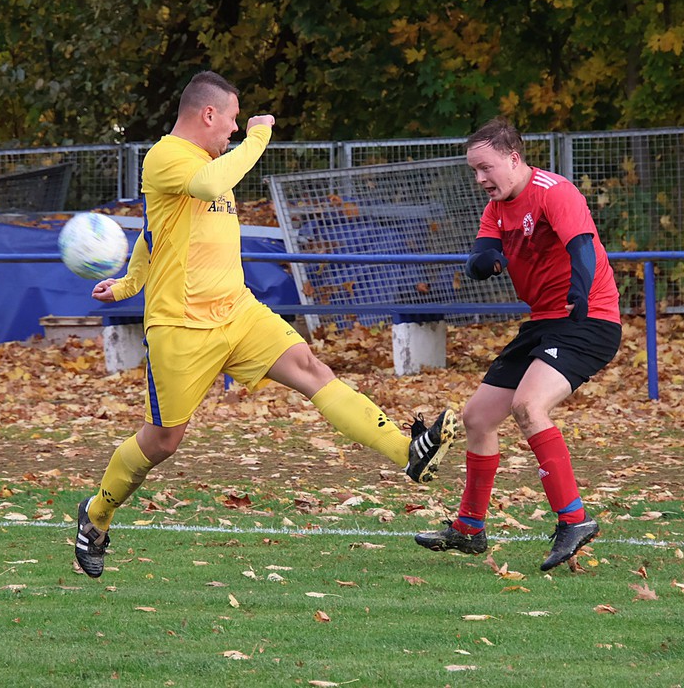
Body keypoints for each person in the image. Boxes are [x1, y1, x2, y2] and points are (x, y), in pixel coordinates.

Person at [74, 71, 457, 578]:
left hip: (238, 310)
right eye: (232, 119)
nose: (234, 129)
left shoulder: (210, 162)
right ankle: (97, 513)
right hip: (181, 326)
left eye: (241, 124)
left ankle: (408, 452)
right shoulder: (167, 157)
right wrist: (259, 136)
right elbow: (204, 191)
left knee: (311, 368)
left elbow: (152, 233)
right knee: (163, 441)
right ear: (208, 114)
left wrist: (126, 282)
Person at [414, 117, 621, 571]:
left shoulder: (554, 191)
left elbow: (582, 246)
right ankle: (470, 528)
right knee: (477, 418)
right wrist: (482, 262)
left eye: (485, 167)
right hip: (543, 323)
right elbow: (480, 255)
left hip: (589, 319)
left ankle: (574, 520)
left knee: (529, 406)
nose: (479, 178)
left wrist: (581, 291)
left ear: (513, 158)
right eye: (474, 170)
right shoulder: (496, 207)